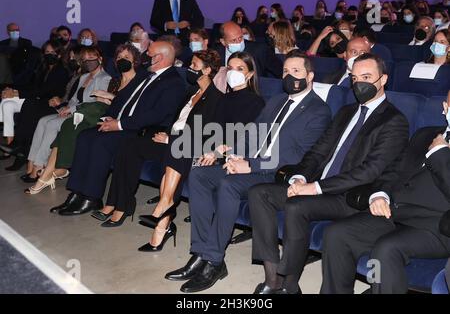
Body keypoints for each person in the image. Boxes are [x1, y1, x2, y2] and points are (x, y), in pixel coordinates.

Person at [166, 51, 332, 293]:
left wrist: (251, 165)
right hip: (252, 164)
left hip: (276, 174)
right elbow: (251, 133)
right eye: (285, 71)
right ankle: (201, 253)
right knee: (200, 175)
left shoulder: (319, 111)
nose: (289, 76)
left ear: (310, 76)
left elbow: (300, 157)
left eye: (296, 71)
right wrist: (230, 154)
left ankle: (214, 260)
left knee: (228, 184)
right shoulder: (276, 101)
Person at [249, 53, 409, 294]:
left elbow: (369, 171)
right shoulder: (346, 112)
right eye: (355, 79)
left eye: (367, 77)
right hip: (317, 184)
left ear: (383, 79)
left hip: (348, 195)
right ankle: (273, 276)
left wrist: (315, 188)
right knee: (259, 193)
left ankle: (288, 284)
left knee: (296, 206)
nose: (359, 84)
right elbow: (317, 151)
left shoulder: (394, 121)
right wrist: (299, 177)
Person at [320, 98, 450, 294]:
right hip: (396, 212)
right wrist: (381, 194)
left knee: (385, 249)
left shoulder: (439, 145)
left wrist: (440, 153)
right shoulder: (425, 134)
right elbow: (395, 170)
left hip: (436, 225)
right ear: (445, 107)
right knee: (337, 234)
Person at [138, 51, 266, 242]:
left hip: (227, 154)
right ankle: (164, 209)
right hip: (206, 148)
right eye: (230, 68)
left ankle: (163, 211)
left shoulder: (255, 101)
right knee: (177, 146)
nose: (233, 72)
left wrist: (215, 150)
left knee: (178, 148)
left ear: (249, 74)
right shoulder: (224, 98)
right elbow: (207, 130)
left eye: (240, 69)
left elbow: (241, 135)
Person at [51, 41, 186, 216]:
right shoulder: (145, 74)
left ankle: (91, 197)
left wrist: (120, 124)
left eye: (149, 54)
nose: (145, 57)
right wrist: (108, 118)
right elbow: (122, 98)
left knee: (101, 142)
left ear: (159, 57)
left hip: (141, 130)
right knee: (85, 136)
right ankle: (77, 192)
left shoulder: (174, 82)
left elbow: (157, 115)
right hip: (124, 123)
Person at [94, 49, 222, 229]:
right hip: (169, 138)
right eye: (190, 64)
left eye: (194, 66)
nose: (189, 69)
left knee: (171, 151)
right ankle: (121, 205)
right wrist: (166, 134)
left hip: (183, 145)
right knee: (130, 145)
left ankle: (163, 212)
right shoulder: (191, 91)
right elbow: (175, 118)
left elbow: (205, 132)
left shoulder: (216, 98)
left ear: (207, 70)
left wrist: (171, 139)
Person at [24, 45, 114, 194]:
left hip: (84, 115)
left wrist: (70, 110)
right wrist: (64, 108)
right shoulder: (84, 77)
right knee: (43, 121)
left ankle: (40, 167)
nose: (88, 61)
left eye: (92, 58)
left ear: (100, 59)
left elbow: (96, 103)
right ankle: (31, 164)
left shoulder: (105, 78)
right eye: (85, 59)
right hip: (72, 110)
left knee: (52, 124)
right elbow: (74, 99)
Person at [0, 40, 70, 170]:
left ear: (59, 54)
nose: (49, 54)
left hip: (51, 103)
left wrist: (16, 92)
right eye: (47, 52)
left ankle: (19, 148)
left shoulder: (61, 70)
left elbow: (45, 91)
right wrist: (12, 89)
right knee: (7, 103)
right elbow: (32, 85)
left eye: (53, 52)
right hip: (39, 99)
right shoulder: (43, 68)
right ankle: (14, 145)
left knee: (29, 105)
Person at [20, 47, 83, 182]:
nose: (71, 60)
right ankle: (31, 162)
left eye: (74, 58)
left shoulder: (82, 76)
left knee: (48, 121)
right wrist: (59, 100)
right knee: (41, 119)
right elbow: (67, 96)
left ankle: (38, 166)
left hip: (73, 111)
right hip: (63, 106)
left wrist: (62, 103)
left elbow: (79, 100)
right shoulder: (74, 74)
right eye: (70, 57)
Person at [214, 21, 278, 77]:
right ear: (223, 42)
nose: (239, 42)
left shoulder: (259, 50)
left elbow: (279, 70)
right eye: (234, 40)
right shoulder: (216, 53)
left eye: (240, 38)